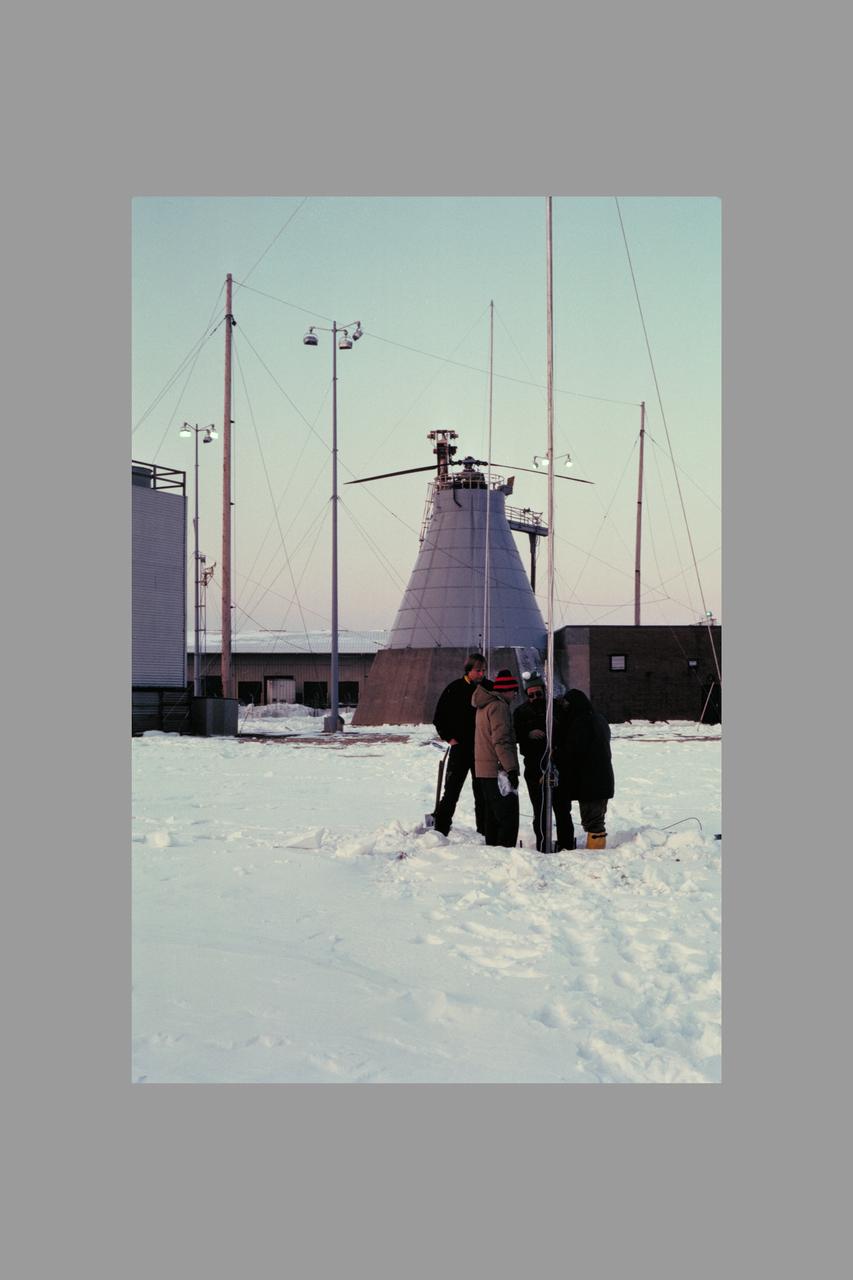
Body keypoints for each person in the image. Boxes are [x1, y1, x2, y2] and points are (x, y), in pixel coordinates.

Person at [431, 653, 488, 836]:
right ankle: (440, 831)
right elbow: (439, 717)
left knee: (482, 793)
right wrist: (450, 739)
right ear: (468, 670)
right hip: (461, 749)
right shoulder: (454, 689)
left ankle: (484, 832)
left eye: (484, 670)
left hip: (482, 749)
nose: (481, 674)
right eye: (478, 670)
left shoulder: (488, 688)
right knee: (451, 791)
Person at [552, 688, 615, 850]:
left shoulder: (581, 722)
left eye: (567, 705)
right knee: (596, 819)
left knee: (593, 822)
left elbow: (573, 751)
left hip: (591, 781)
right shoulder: (598, 718)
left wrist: (556, 754)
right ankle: (596, 850)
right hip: (602, 778)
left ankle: (596, 852)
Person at [472, 668, 520, 848]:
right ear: (506, 690)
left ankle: (493, 854)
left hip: (484, 770)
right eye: (514, 691)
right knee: (508, 818)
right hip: (498, 771)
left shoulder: (484, 705)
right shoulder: (499, 707)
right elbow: (501, 741)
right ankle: (505, 855)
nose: (515, 695)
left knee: (492, 818)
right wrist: (511, 769)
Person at [512, 675, 550, 851]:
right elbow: (514, 734)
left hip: (556, 762)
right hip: (533, 764)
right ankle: (542, 843)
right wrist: (528, 734)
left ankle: (564, 845)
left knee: (561, 808)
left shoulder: (553, 708)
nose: (535, 698)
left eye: (538, 694)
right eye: (531, 695)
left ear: (544, 691)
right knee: (539, 807)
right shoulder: (521, 712)